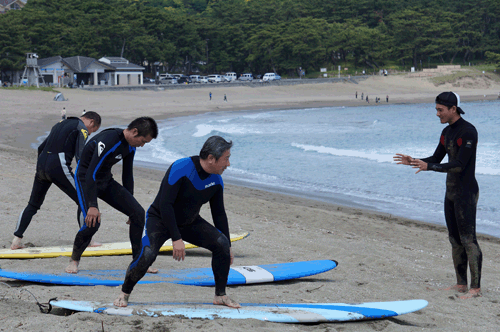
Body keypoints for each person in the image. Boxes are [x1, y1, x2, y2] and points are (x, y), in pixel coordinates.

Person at [113, 135, 240, 309]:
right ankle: (124, 292)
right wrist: (176, 238)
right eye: (226, 159)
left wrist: (229, 247)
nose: (228, 164)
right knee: (148, 254)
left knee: (222, 244)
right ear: (211, 158)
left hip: (190, 222)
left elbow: (219, 214)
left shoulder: (216, 180)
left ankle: (220, 295)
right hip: (160, 220)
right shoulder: (181, 167)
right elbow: (166, 205)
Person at [394, 92, 482, 300]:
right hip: (451, 191)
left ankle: (475, 288)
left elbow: (460, 165)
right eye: (436, 109)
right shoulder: (446, 132)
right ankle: (461, 284)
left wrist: (429, 167)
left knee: (468, 239)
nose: (437, 113)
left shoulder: (468, 131)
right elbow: (436, 158)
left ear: (453, 109)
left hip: (466, 191)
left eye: (440, 110)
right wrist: (415, 161)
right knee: (454, 239)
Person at [65, 117, 158, 274]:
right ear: (134, 131)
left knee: (138, 214)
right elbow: (91, 173)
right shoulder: (109, 141)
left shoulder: (130, 147)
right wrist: (92, 205)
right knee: (93, 222)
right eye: (142, 141)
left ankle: (138, 262)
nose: (142, 145)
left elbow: (127, 176)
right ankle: (74, 260)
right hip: (86, 179)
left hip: (105, 180)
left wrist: (131, 205)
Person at [11, 112, 101, 250]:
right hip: (58, 166)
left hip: (41, 164)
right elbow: (81, 157)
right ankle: (87, 240)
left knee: (33, 204)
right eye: (92, 131)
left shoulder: (59, 123)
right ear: (91, 122)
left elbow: (41, 147)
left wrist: (44, 166)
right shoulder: (81, 128)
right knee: (84, 199)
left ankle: (16, 241)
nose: (89, 133)